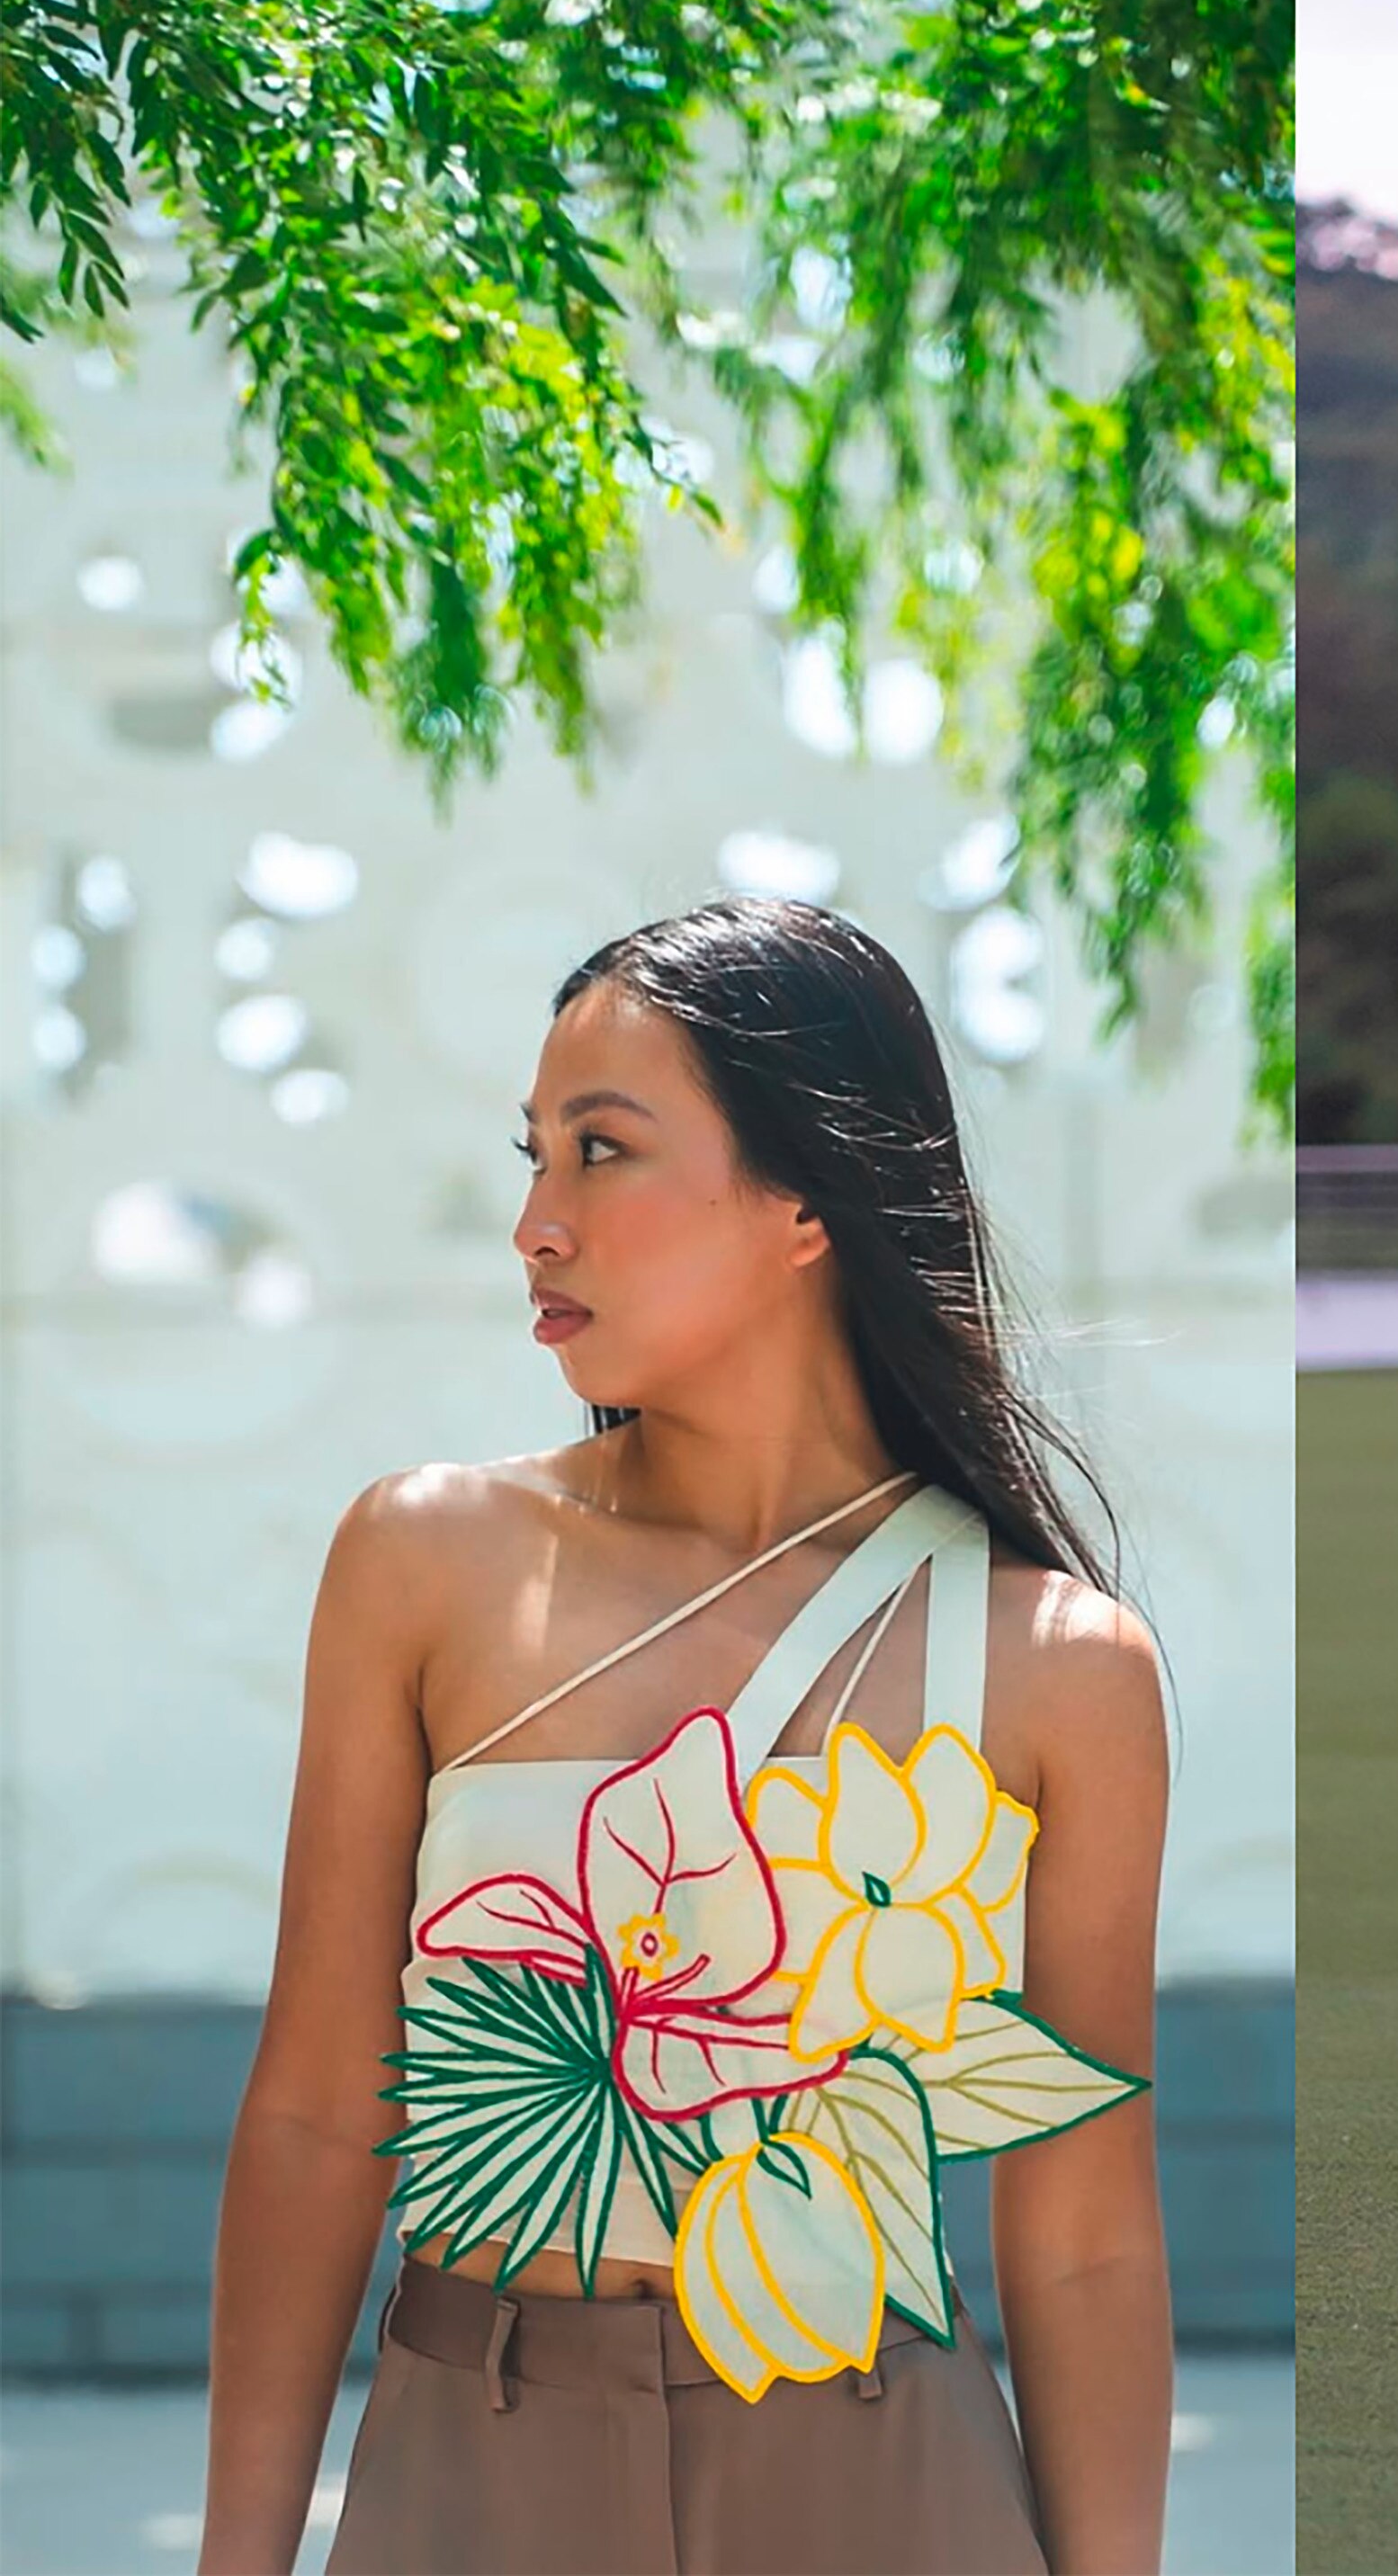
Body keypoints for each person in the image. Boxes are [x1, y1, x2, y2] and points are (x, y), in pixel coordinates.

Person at [200, 898, 1172, 2574]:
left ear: (806, 1200)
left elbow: (1079, 2237)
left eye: (602, 1153)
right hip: (468, 2458)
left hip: (886, 2479)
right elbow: (311, 2113)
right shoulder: (423, 1561)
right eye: (533, 1157)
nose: (535, 1225)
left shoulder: (1061, 1667)